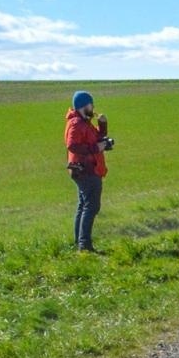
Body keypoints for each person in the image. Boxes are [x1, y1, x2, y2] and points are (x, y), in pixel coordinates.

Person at [64, 90, 111, 252]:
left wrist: (103, 125)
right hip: (86, 170)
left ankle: (80, 243)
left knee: (84, 205)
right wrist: (95, 148)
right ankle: (84, 246)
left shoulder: (84, 121)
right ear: (84, 105)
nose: (93, 107)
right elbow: (72, 145)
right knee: (91, 206)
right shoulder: (77, 123)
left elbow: (97, 138)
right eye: (91, 104)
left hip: (85, 169)